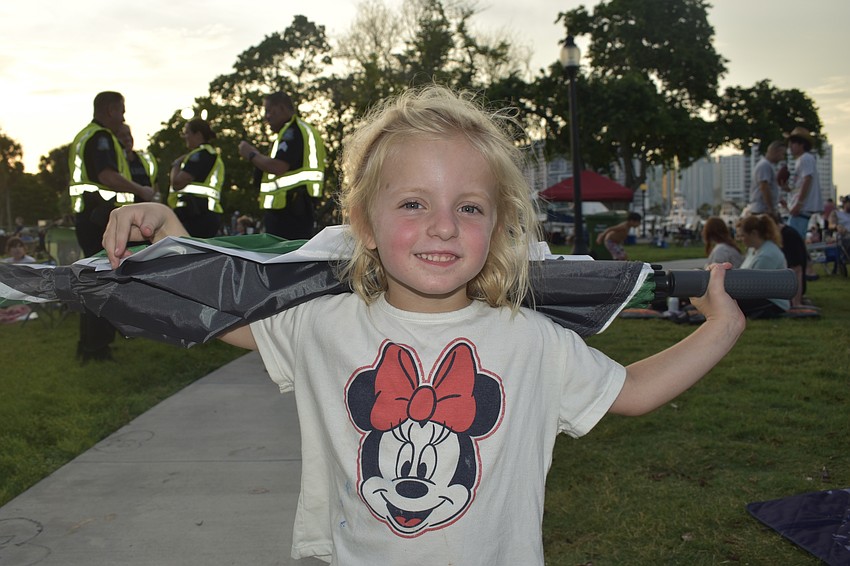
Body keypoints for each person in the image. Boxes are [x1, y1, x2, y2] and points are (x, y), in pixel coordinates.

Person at [103, 86, 744, 565]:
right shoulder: (324, 325)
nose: (443, 226)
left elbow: (628, 392)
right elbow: (221, 314)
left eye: (469, 207)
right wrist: (169, 230)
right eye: (413, 203)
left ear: (497, 224)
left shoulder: (529, 338)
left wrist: (721, 327)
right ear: (362, 223)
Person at [68, 91, 155, 361]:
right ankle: (95, 348)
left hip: (92, 216)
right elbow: (107, 175)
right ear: (109, 110)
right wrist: (140, 189)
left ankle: (96, 343)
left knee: (99, 279)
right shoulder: (101, 137)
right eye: (121, 110)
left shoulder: (88, 135)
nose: (124, 116)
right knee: (101, 280)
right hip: (98, 218)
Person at [237, 91, 326, 240]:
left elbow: (278, 167)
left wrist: (252, 154)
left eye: (269, 110)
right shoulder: (298, 131)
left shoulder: (293, 131)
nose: (267, 117)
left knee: (282, 257)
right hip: (294, 208)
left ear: (282, 108)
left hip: (290, 211)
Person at [167, 119, 225, 238]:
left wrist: (176, 164)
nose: (184, 136)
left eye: (187, 132)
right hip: (206, 214)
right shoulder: (211, 154)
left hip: (197, 216)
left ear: (198, 134)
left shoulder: (200, 155)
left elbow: (177, 183)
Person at [737, 214, 790, 318]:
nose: (741, 239)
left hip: (772, 303)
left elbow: (755, 288)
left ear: (753, 233)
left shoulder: (766, 255)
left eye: (743, 236)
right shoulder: (755, 251)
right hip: (762, 298)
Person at [782, 127, 823, 239]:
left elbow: (807, 179)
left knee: (794, 240)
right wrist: (788, 189)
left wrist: (799, 203)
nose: (790, 146)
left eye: (793, 143)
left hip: (802, 208)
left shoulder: (805, 158)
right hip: (800, 208)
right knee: (795, 239)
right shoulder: (801, 160)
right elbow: (801, 184)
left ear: (802, 144)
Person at [116, 123, 159, 200]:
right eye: (122, 136)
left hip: (147, 207)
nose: (127, 138)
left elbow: (155, 186)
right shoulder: (113, 161)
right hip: (124, 208)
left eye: (129, 134)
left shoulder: (146, 159)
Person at [748, 140, 786, 215]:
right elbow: (764, 187)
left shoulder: (767, 166)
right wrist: (770, 208)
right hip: (762, 209)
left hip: (763, 209)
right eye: (782, 154)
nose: (782, 157)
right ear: (775, 152)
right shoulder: (764, 166)